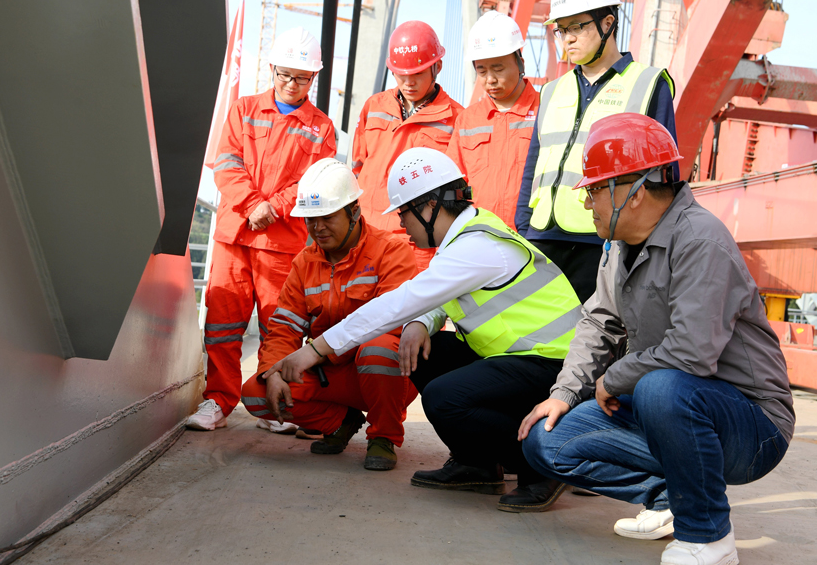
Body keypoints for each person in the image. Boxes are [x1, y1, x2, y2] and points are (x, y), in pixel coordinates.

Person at [519, 113, 795, 565]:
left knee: (660, 385)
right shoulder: (619, 246)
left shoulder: (701, 240)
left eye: (593, 190)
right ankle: (674, 500)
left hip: (751, 424)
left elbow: (692, 354)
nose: (588, 203)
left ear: (634, 192)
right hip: (671, 408)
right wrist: (565, 394)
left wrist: (615, 378)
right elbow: (598, 323)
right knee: (546, 441)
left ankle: (708, 538)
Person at [264, 147, 580, 512]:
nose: (401, 224)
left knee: (445, 397)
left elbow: (398, 303)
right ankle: (477, 464)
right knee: (428, 352)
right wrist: (419, 323)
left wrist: (314, 350)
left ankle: (541, 466)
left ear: (430, 207)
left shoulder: (475, 246)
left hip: (553, 367)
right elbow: (438, 298)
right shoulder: (466, 238)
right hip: (524, 359)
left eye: (404, 213)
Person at [187, 27, 337, 432]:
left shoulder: (322, 128)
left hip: (281, 242)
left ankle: (274, 405)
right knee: (222, 323)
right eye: (284, 74)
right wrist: (254, 205)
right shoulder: (243, 109)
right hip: (235, 235)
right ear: (272, 69)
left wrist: (274, 207)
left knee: (279, 327)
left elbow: (313, 180)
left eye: (301, 77)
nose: (291, 84)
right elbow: (226, 162)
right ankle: (218, 401)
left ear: (314, 79)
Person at [241, 159, 418, 469]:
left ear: (354, 212)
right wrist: (273, 372)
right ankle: (340, 423)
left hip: (384, 373)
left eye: (327, 217)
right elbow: (284, 329)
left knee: (378, 349)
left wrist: (318, 353)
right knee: (257, 392)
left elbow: (391, 325)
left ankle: (384, 437)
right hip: (329, 375)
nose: (317, 228)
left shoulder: (391, 251)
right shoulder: (304, 264)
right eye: (310, 219)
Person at [515, 0, 677, 305]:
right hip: (543, 237)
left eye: (577, 26)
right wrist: (523, 227)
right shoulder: (551, 91)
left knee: (593, 341)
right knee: (537, 346)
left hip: (604, 239)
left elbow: (664, 176)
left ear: (607, 24)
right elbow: (534, 165)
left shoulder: (648, 84)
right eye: (561, 29)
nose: (567, 39)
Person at [352, 21, 464, 270]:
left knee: (412, 308)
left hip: (417, 243)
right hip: (365, 235)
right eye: (401, 75)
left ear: (438, 67)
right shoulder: (374, 106)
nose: (408, 83)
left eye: (417, 74)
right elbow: (357, 168)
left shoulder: (456, 118)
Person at [445, 11, 538, 230]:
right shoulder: (468, 121)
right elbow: (452, 184)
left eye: (498, 68)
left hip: (532, 237)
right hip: (479, 236)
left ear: (520, 64)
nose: (490, 80)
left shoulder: (545, 111)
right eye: (482, 71)